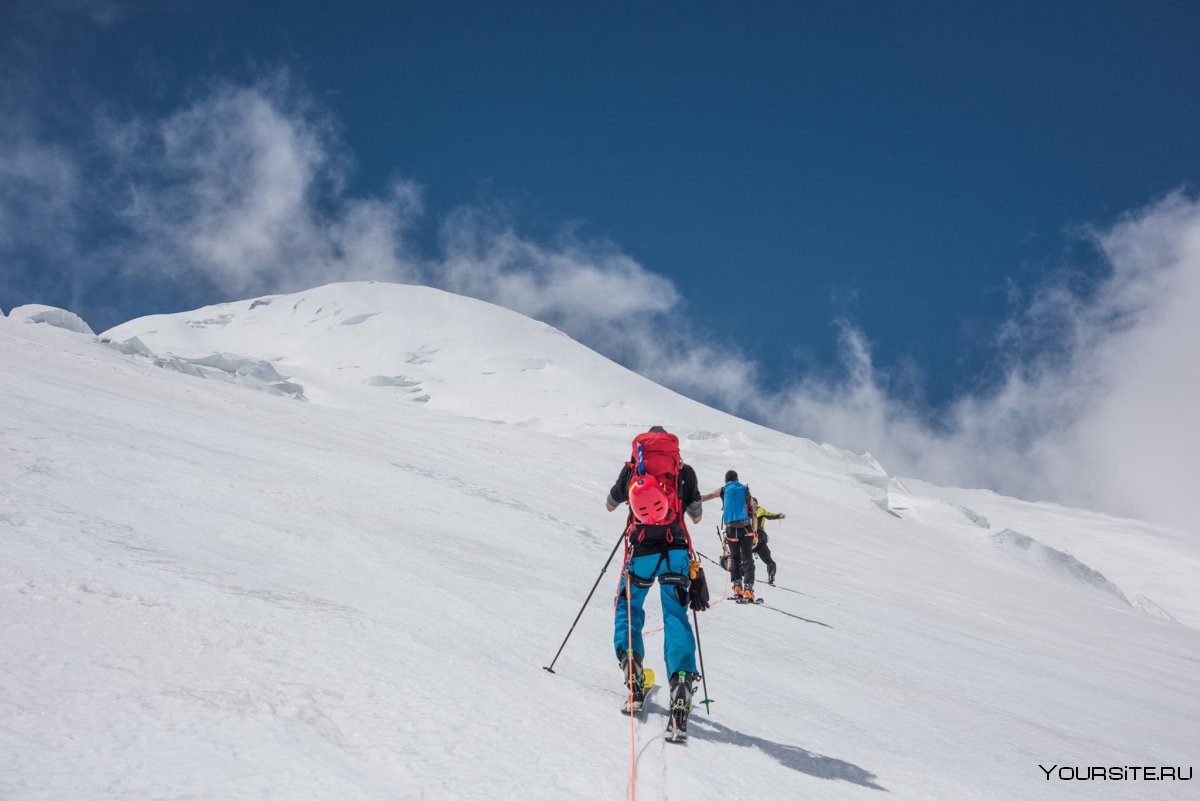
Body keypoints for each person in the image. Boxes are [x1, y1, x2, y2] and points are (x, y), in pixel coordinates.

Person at [605, 426, 705, 742]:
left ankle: (633, 678)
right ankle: (680, 690)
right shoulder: (684, 471)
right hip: (676, 551)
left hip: (641, 552)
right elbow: (698, 517)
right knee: (675, 617)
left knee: (629, 609)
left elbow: (610, 504)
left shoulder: (633, 468)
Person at [700, 470, 758, 602]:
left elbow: (708, 496)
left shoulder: (723, 489)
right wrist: (755, 532)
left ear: (726, 480)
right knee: (747, 558)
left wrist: (691, 499)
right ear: (737, 479)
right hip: (746, 528)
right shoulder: (745, 490)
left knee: (735, 557)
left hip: (731, 529)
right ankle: (748, 590)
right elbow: (754, 512)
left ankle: (737, 588)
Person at [752, 496, 786, 586]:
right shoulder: (748, 510)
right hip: (760, 537)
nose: (753, 504)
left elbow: (769, 515)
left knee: (744, 551)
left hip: (757, 533)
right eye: (752, 502)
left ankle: (739, 570)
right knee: (767, 557)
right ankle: (771, 576)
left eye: (754, 502)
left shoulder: (760, 510)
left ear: (756, 503)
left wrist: (778, 516)